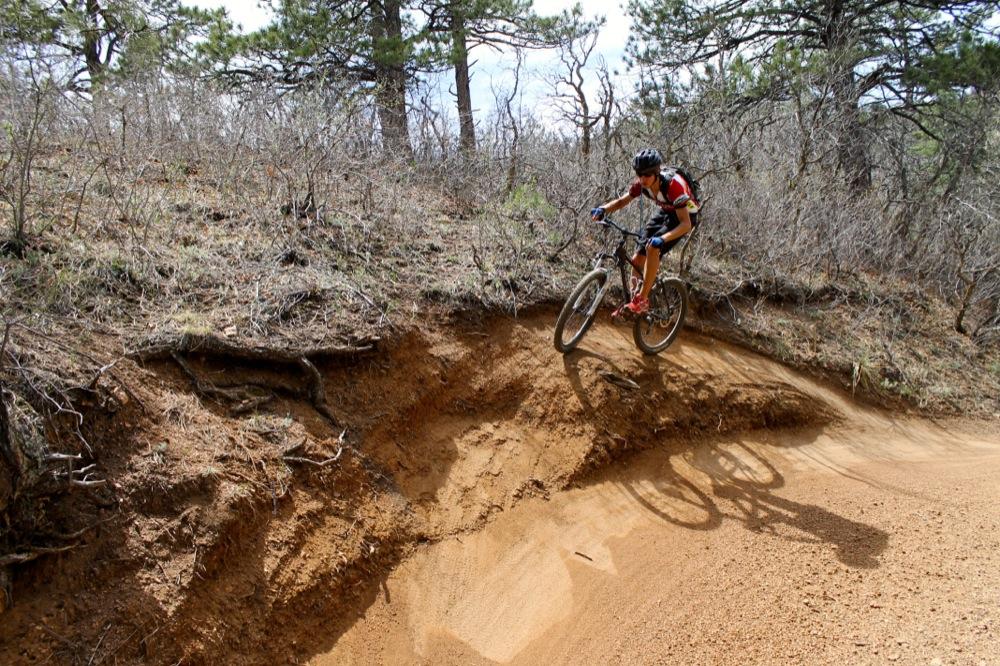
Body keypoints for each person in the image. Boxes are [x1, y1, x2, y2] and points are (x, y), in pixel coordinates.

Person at [591, 149, 700, 316]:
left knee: (652, 248)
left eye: (647, 175)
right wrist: (603, 209)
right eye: (639, 174)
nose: (642, 179)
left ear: (656, 173)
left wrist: (662, 240)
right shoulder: (641, 184)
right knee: (636, 259)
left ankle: (642, 300)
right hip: (666, 210)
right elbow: (622, 201)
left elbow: (685, 224)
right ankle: (632, 302)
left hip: (685, 217)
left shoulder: (673, 186)